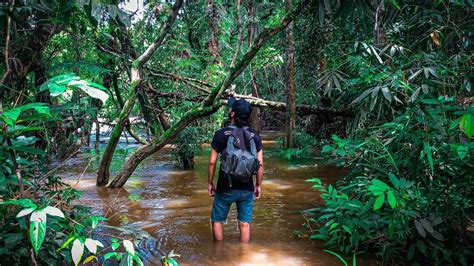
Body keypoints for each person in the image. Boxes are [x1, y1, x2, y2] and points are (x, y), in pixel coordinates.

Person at [208, 97, 264, 243]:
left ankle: (218, 255)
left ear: (232, 114)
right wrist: (258, 185)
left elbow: (212, 162)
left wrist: (210, 183)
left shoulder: (221, 134)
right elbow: (260, 164)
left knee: (217, 220)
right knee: (244, 223)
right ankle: (244, 256)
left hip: (225, 187)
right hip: (246, 187)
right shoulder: (255, 137)